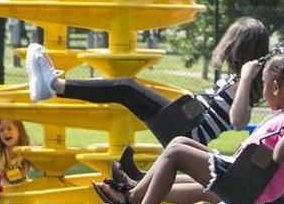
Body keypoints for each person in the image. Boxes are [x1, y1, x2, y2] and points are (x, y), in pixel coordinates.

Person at [88, 52, 284, 204]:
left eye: (265, 84)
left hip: (249, 186)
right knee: (179, 142)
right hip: (245, 177)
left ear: (276, 86)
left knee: (177, 153)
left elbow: (280, 155)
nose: (264, 91)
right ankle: (132, 192)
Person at [25, 17, 269, 182]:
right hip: (185, 121)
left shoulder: (248, 80)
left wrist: (246, 80)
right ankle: (137, 178)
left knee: (126, 87)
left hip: (191, 131)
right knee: (124, 93)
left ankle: (55, 86)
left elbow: (239, 122)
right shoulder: (238, 77)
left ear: (241, 48)